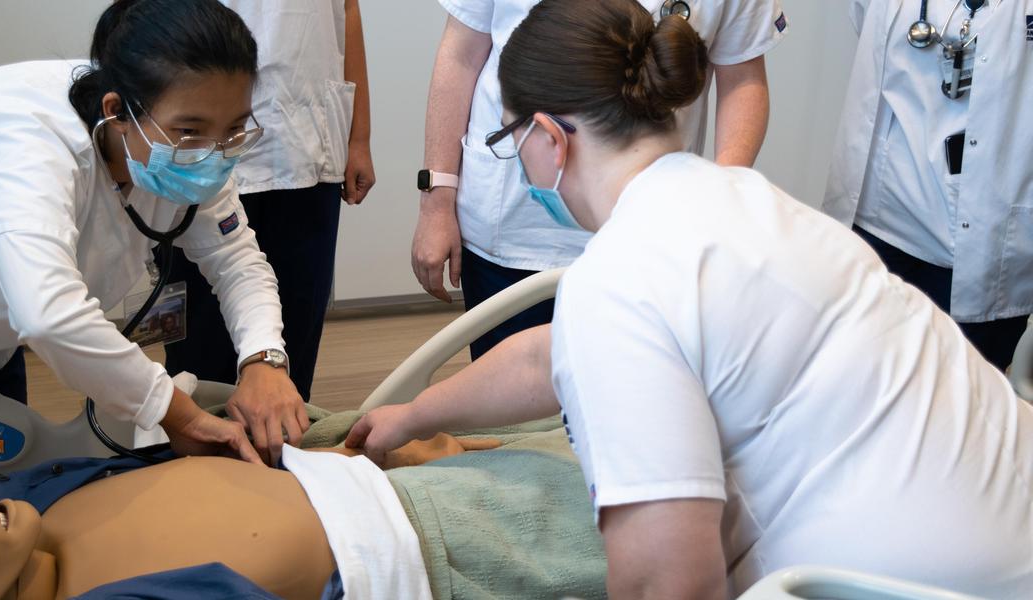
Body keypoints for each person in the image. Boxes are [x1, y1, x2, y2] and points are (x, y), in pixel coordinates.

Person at [348, 1, 1033, 597]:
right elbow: (549, 361)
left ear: (550, 141)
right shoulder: (753, 207)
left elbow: (668, 586)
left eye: (509, 137)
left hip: (926, 584)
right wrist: (412, 415)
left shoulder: (622, 280)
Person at [0, 0, 307, 465]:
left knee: (3, 477)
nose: (214, 154)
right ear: (117, 110)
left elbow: (236, 259)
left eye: (235, 128)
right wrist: (176, 413)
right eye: (190, 131)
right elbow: (49, 315)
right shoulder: (23, 147)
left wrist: (264, 359)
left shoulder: (173, 123)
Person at [0, 420, 607, 599]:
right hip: (441, 545)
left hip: (377, 467)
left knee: (605, 430)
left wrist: (370, 454)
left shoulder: (32, 499)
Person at [411, 0, 788, 360]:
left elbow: (742, 77)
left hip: (647, 226)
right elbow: (460, 55)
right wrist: (436, 199)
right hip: (510, 222)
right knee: (510, 404)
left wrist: (717, 200)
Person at [161, 0, 375, 403]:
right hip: (202, 147)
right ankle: (195, 448)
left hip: (308, 142)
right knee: (201, 353)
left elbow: (347, 9)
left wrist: (358, 136)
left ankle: (280, 447)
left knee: (294, 338)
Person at [824, 0, 1033, 370]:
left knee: (961, 409)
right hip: (881, 223)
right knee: (851, 378)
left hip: (990, 245)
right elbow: (864, 19)